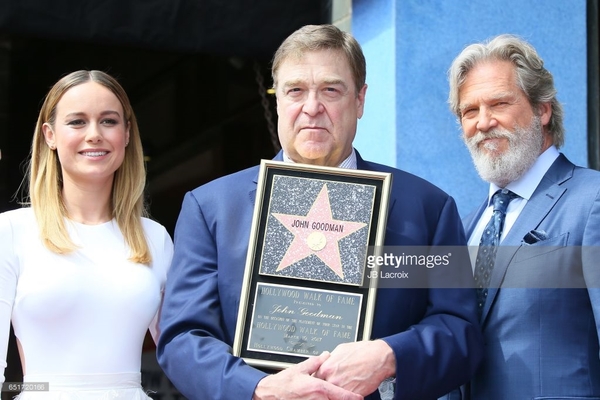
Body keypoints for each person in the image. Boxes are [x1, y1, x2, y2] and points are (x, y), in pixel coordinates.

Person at [157, 24, 482, 400]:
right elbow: (183, 338)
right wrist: (258, 388)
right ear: (278, 101)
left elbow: (460, 332)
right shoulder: (211, 208)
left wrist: (390, 357)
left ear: (359, 100)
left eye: (331, 90)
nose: (312, 107)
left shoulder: (427, 208)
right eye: (295, 90)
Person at [0, 70, 174, 399]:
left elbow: (182, 349)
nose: (94, 134)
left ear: (126, 134)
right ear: (50, 135)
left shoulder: (155, 238)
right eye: (77, 122)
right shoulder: (11, 231)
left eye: (108, 121)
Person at [447, 34, 600, 399]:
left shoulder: (592, 200)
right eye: (470, 111)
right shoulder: (464, 228)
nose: (484, 122)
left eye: (499, 103)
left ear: (542, 110)